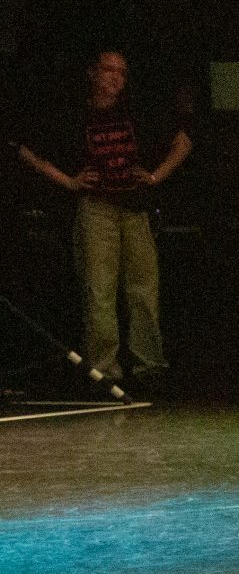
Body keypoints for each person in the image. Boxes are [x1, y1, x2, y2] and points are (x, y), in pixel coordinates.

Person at [15, 49, 192, 387]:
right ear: (93, 73)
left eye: (122, 72)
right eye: (109, 70)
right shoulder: (77, 114)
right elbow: (27, 151)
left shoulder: (135, 112)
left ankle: (149, 365)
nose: (115, 78)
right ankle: (103, 369)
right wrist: (69, 182)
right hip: (97, 207)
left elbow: (183, 141)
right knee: (100, 290)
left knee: (143, 289)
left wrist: (156, 176)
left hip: (134, 208)